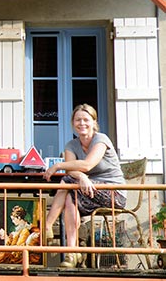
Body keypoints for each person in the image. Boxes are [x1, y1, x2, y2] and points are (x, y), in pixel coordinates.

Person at [43, 103, 126, 268]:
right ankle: (72, 254)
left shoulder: (101, 139)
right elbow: (74, 170)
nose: (82, 123)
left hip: (113, 193)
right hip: (88, 191)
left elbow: (87, 165)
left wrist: (59, 166)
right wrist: (81, 177)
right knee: (69, 200)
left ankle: (47, 225)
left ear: (94, 122)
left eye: (86, 120)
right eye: (78, 120)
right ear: (73, 123)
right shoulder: (71, 145)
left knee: (67, 184)